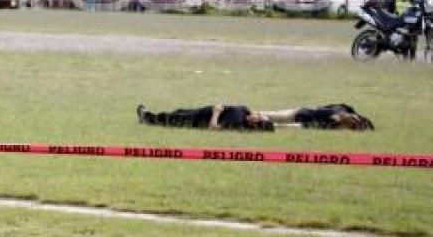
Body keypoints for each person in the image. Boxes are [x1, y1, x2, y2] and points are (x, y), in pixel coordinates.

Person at [136, 102, 373, 131]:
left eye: (257, 120)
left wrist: (217, 112)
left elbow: (213, 129)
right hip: (203, 109)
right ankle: (149, 116)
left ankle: (148, 118)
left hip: (203, 116)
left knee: (175, 117)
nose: (255, 118)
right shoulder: (245, 113)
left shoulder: (238, 122)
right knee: (178, 112)